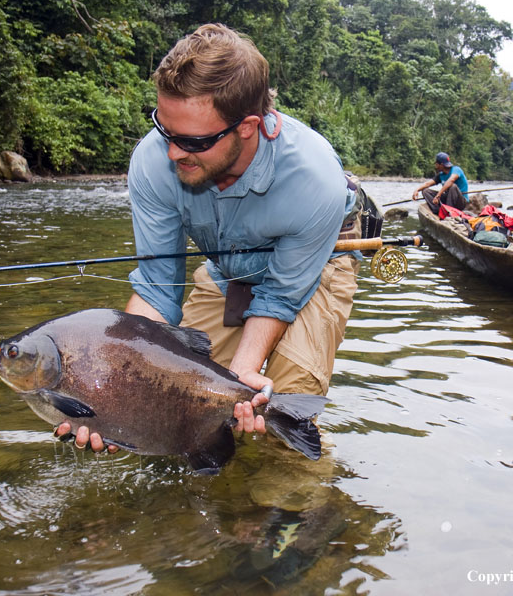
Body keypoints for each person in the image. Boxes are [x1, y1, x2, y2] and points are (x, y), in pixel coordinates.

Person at [57, 23, 361, 452]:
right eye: (165, 130)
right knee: (173, 409)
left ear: (248, 127)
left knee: (281, 416)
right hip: (227, 269)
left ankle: (300, 507)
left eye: (192, 141)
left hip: (314, 270)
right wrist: (109, 389)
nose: (172, 153)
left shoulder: (314, 182)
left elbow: (279, 296)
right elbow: (157, 290)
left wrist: (242, 377)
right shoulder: (152, 161)